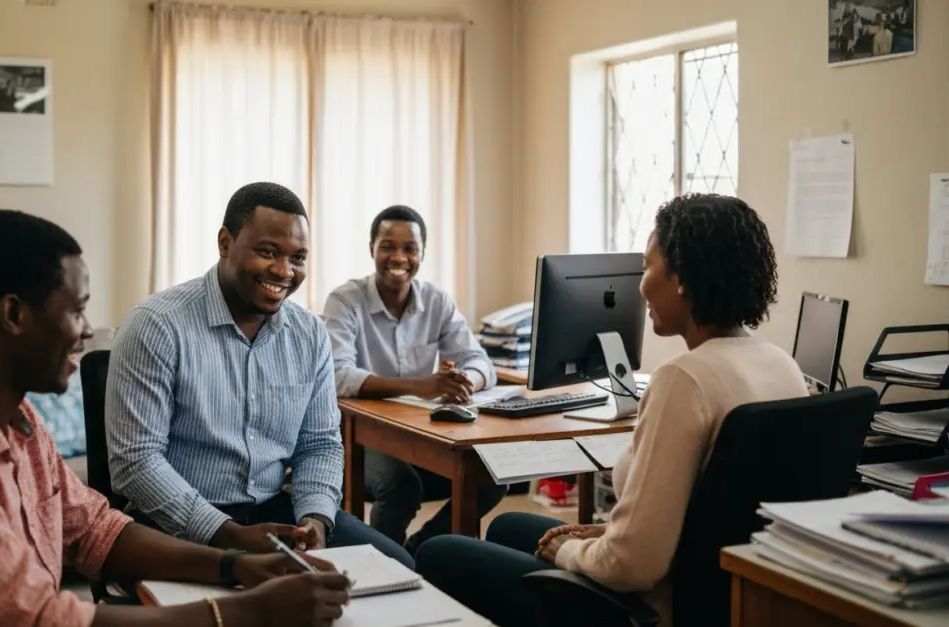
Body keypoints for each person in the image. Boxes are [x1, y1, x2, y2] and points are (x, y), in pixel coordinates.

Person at [0, 209, 352, 627]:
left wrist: (234, 566)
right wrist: (240, 611)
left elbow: (93, 529)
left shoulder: (13, 420)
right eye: (77, 308)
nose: (88, 331)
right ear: (14, 315)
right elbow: (39, 620)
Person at [414, 193, 809, 627]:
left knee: (440, 553)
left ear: (682, 278)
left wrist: (570, 551)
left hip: (646, 606)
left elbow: (632, 565)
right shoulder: (781, 365)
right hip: (722, 591)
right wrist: (605, 532)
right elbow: (715, 514)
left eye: (648, 266)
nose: (641, 285)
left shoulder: (683, 380)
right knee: (509, 527)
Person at [106, 182, 413, 568]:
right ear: (224, 243)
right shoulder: (157, 326)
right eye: (267, 252)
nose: (284, 271)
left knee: (398, 569)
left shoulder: (309, 333)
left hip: (274, 513)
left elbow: (319, 445)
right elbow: (135, 462)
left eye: (298, 258)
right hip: (174, 523)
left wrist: (316, 518)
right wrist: (228, 533)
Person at [322, 205, 507, 553]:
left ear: (422, 253)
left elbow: (482, 363)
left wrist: (464, 381)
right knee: (400, 485)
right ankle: (381, 564)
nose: (399, 257)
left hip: (421, 429)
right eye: (388, 246)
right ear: (372, 249)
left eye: (410, 248)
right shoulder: (345, 300)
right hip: (359, 435)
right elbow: (337, 376)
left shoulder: (436, 301)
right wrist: (421, 388)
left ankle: (420, 551)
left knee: (489, 476)